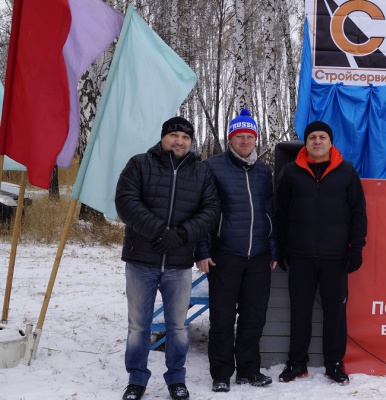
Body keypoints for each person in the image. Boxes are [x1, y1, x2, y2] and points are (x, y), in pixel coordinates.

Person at [115, 116, 220, 400]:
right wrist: (160, 232)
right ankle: (136, 380)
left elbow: (211, 211)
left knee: (178, 327)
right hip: (141, 261)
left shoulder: (201, 172)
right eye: (174, 135)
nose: (179, 141)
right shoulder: (140, 164)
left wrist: (182, 234)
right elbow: (126, 202)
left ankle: (176, 379)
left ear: (191, 142)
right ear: (163, 137)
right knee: (138, 326)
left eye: (185, 137)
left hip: (178, 265)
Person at [275, 120, 367, 385]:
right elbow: (281, 213)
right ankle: (297, 363)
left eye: (322, 137)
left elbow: (358, 212)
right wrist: (280, 247)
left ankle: (334, 364)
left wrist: (356, 248)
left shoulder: (346, 171)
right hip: (300, 255)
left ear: (330, 142)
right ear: (305, 142)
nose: (317, 141)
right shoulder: (291, 172)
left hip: (335, 257)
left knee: (335, 314)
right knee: (299, 311)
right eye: (312, 137)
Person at [195, 109, 278, 393]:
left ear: (255, 139)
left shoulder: (263, 171)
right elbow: (202, 211)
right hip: (225, 255)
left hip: (259, 256)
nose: (245, 141)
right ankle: (221, 373)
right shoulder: (212, 166)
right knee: (222, 318)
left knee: (254, 317)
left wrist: (273, 249)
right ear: (230, 139)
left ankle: (248, 369)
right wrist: (202, 250)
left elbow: (269, 211)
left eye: (249, 136)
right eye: (239, 136)